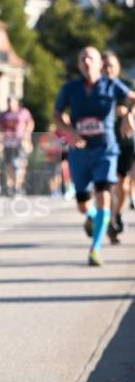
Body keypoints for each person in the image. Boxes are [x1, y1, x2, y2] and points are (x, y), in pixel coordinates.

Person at [53, 45, 135, 266]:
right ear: (79, 65)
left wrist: (129, 115)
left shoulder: (111, 85)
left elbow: (133, 98)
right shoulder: (70, 88)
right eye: (83, 58)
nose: (87, 61)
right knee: (83, 203)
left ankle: (95, 249)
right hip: (79, 152)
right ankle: (93, 217)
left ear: (99, 63)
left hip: (105, 150)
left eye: (91, 57)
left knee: (104, 195)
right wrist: (69, 131)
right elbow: (56, 114)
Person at [102, 52, 134, 242]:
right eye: (105, 66)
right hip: (104, 144)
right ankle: (106, 218)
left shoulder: (126, 86)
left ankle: (117, 214)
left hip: (125, 142)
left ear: (118, 68)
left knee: (123, 185)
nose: (108, 69)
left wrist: (129, 113)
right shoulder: (96, 88)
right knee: (107, 184)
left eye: (111, 66)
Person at [0, 95, 34, 196]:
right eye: (8, 102)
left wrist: (27, 136)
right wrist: (1, 137)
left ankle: (18, 186)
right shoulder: (3, 114)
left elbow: (30, 124)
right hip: (8, 143)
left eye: (11, 102)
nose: (10, 104)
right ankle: (10, 186)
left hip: (20, 142)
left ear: (16, 102)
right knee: (8, 165)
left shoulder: (23, 112)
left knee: (20, 164)